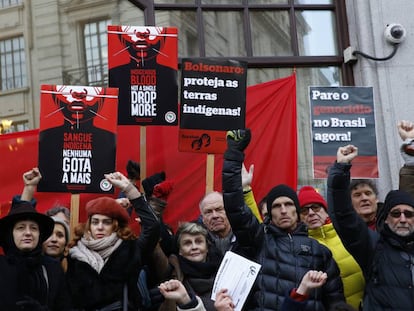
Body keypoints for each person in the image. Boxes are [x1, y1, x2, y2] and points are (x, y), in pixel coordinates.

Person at [222, 129, 344, 311]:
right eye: (277, 206)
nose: (284, 210)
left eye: (288, 204)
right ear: (270, 214)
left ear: (297, 210)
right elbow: (235, 208)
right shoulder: (258, 241)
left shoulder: (320, 252)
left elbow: (336, 302)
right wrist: (233, 155)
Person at [328, 144, 414, 310]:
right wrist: (340, 169)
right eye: (396, 214)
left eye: (409, 214)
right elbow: (343, 215)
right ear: (386, 219)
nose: (403, 219)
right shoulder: (375, 248)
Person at [66, 171, 160, 311]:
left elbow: (152, 226)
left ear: (115, 226)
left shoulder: (130, 250)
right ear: (89, 225)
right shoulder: (74, 253)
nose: (100, 227)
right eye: (95, 222)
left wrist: (129, 189)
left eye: (106, 222)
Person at [0, 172, 72, 310]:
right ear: (11, 234)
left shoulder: (52, 269)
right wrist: (28, 189)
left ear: (40, 234)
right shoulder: (2, 266)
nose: (28, 233)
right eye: (21, 228)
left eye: (33, 228)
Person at [298, 186, 365, 310]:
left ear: (326, 210)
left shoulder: (346, 233)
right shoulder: (302, 246)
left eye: (316, 207)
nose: (311, 213)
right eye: (304, 210)